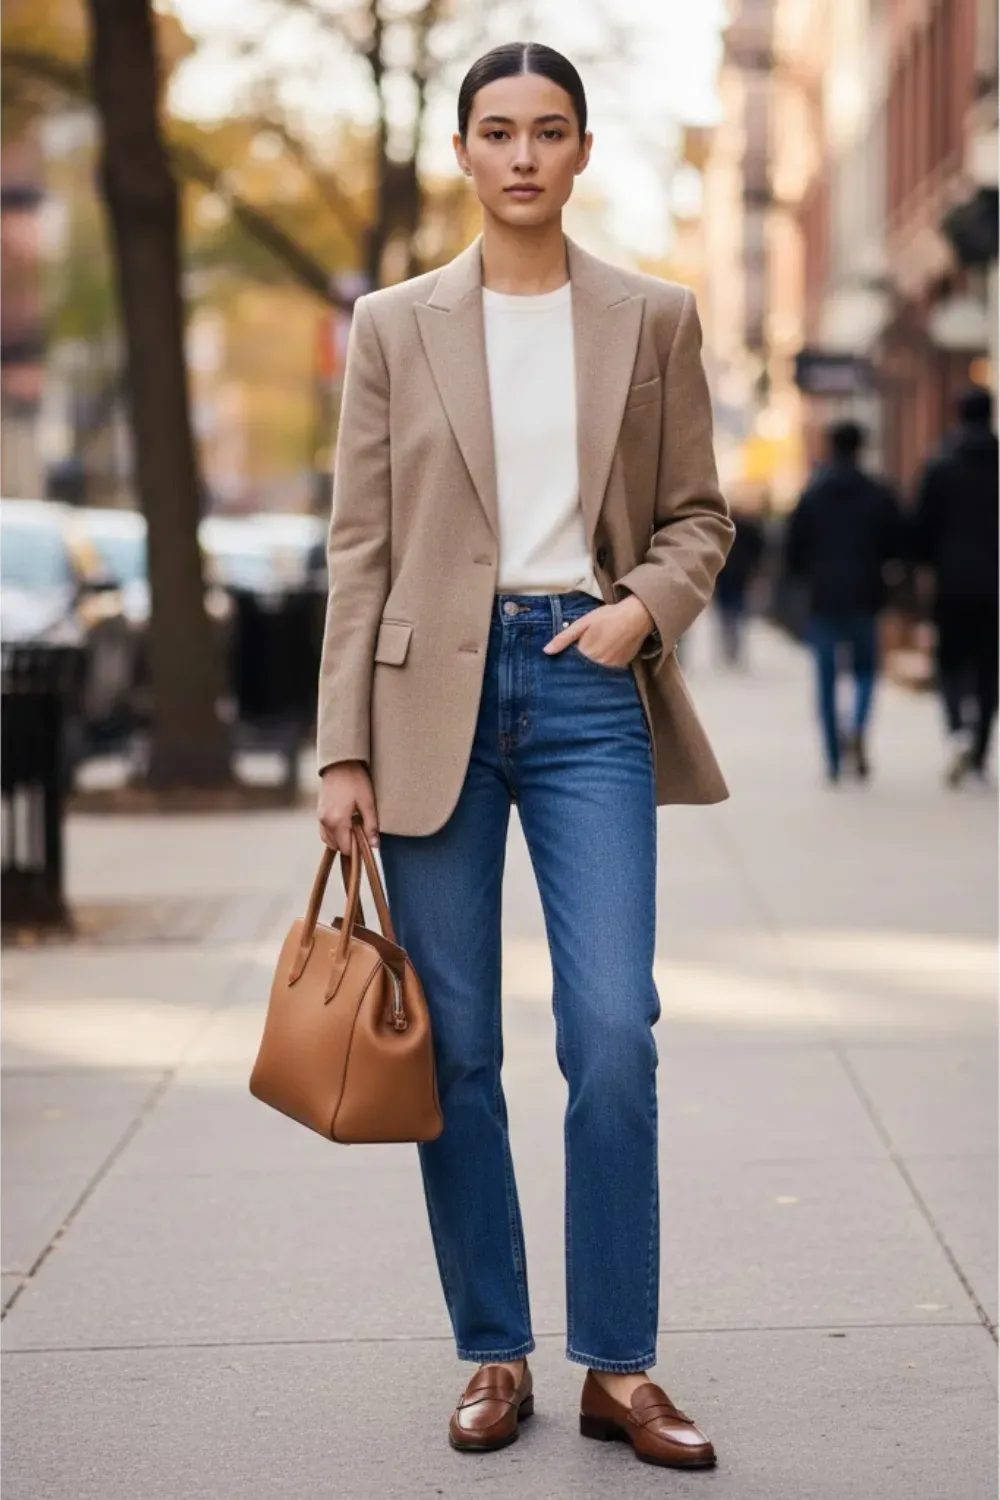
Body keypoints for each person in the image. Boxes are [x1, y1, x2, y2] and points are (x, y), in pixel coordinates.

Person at [316, 42, 732, 1469]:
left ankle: (622, 1365)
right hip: (427, 700)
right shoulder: (393, 323)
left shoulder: (654, 316)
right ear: (463, 151)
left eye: (549, 132)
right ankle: (494, 1349)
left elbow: (699, 517)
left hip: (583, 687)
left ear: (583, 150)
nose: (523, 158)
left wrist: (638, 615)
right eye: (497, 132)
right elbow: (359, 545)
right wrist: (339, 753)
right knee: (465, 1052)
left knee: (613, 1031)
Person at [785, 421, 903, 782]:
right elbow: (896, 543)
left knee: (825, 679)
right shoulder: (878, 492)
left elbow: (794, 550)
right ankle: (857, 725)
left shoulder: (813, 494)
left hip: (824, 597)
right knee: (867, 671)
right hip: (866, 595)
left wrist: (805, 576)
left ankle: (834, 758)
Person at [911, 386, 999, 787]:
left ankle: (957, 731)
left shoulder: (940, 467)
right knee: (989, 669)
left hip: (951, 583)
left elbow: (921, 530)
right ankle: (979, 752)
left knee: (950, 664)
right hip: (995, 585)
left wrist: (921, 569)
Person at [713, 504, 765, 666]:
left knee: (726, 613)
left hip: (725, 575)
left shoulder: (720, 530)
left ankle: (730, 645)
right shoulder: (750, 529)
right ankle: (734, 646)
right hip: (740, 575)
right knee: (738, 612)